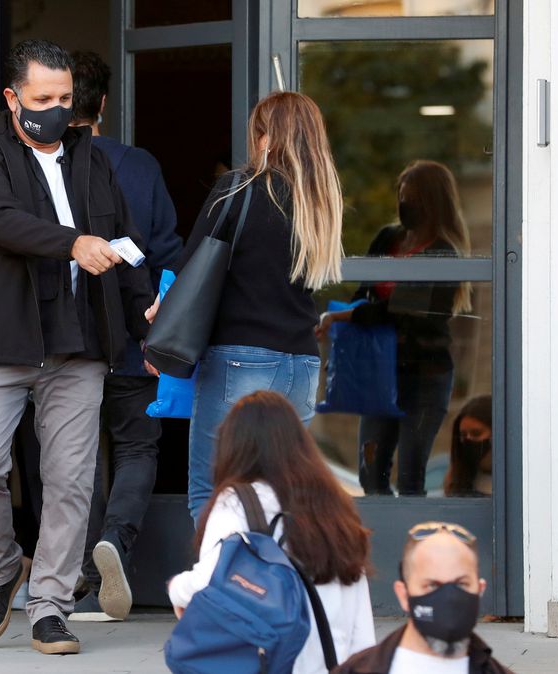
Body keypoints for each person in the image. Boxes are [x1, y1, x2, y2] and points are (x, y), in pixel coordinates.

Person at [0, 40, 154, 655]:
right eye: (43, 99)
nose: (57, 110)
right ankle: (0, 570)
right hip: (3, 339)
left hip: (79, 343)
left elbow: (123, 238)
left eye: (65, 99)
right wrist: (72, 243)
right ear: (14, 99)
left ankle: (50, 604)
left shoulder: (92, 159)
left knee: (69, 480)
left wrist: (145, 306)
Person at [147, 91, 344, 523]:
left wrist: (159, 313)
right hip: (302, 364)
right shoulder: (321, 203)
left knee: (213, 491)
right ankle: (270, 584)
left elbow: (191, 265)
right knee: (282, 496)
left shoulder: (238, 188)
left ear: (266, 137)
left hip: (240, 357)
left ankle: (224, 588)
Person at [68, 50, 182, 621]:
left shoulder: (35, 165)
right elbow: (167, 250)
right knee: (138, 445)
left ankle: (85, 578)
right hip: (135, 329)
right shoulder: (138, 165)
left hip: (67, 337)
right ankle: (116, 539)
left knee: (73, 454)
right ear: (103, 105)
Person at [168, 391, 375, 673]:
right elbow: (360, 626)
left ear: (234, 446)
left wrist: (177, 589)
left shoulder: (238, 502)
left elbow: (210, 580)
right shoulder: (334, 507)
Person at [316, 160, 471, 496]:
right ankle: (383, 538)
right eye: (402, 196)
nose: (405, 205)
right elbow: (363, 294)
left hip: (424, 376)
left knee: (412, 474)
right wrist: (344, 329)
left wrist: (343, 318)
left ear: (433, 202)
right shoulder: (387, 239)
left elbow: (406, 314)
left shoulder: (444, 254)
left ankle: (413, 544)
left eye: (413, 198)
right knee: (370, 472)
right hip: (379, 371)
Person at [333, 522, 515, 674]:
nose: (449, 598)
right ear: (403, 594)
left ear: (480, 590)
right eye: (432, 585)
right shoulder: (356, 670)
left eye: (461, 584)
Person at [444, 395, 493, 497]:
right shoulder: (456, 481)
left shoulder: (521, 481)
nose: (468, 439)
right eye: (463, 435)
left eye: (476, 433)